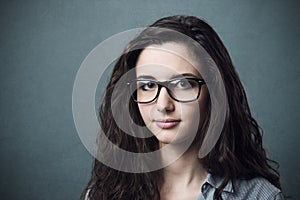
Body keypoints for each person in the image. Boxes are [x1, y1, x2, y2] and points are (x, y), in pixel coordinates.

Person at [81, 15, 284, 200]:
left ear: (215, 92)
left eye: (183, 84)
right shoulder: (103, 193)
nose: (163, 105)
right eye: (148, 85)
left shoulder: (259, 196)